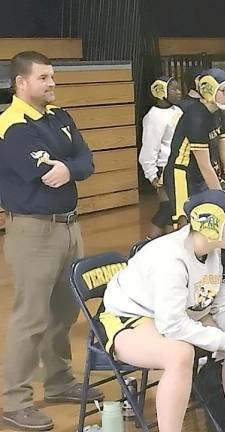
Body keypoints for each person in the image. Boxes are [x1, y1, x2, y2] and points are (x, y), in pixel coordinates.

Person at [101, 190, 225, 432]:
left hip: (181, 313)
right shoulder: (170, 259)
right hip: (129, 316)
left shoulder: (221, 249)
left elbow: (224, 303)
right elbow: (172, 325)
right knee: (180, 355)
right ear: (209, 226)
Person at [0, 51, 98, 431]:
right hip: (34, 231)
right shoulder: (11, 126)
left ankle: (59, 382)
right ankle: (14, 400)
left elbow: (86, 162)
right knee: (32, 317)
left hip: (69, 227)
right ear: (21, 82)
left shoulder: (59, 117)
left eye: (52, 76)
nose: (52, 83)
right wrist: (68, 165)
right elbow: (43, 173)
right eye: (43, 78)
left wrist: (69, 166)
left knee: (64, 311)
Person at [163, 68, 225, 227]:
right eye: (224, 91)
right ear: (209, 90)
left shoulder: (219, 113)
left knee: (205, 221)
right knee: (186, 222)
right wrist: (222, 200)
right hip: (181, 174)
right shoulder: (195, 116)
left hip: (200, 174)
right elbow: (205, 165)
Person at [139, 75, 183, 238]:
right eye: (174, 89)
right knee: (168, 207)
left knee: (173, 213)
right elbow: (149, 148)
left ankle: (168, 248)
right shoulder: (154, 116)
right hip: (162, 168)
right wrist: (151, 175)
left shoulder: (177, 111)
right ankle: (147, 244)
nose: (179, 92)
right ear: (161, 92)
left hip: (178, 166)